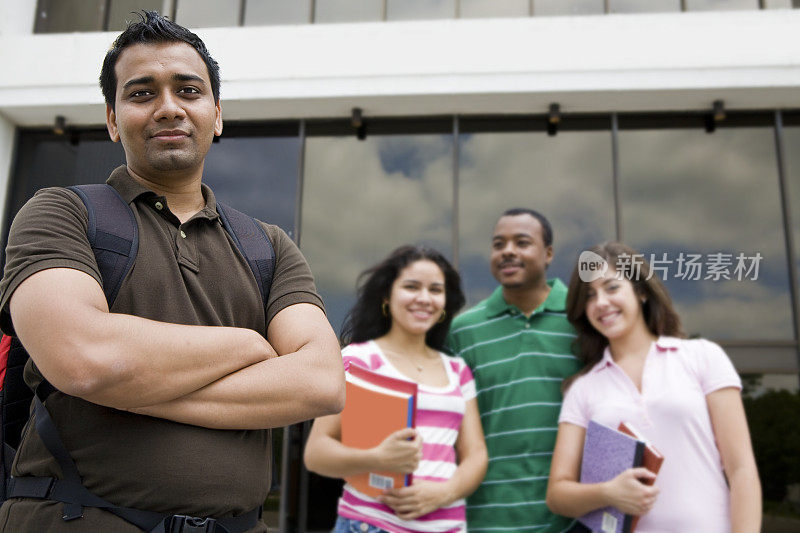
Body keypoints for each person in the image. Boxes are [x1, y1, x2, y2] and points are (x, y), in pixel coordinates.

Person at [0, 11, 344, 532]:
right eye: (141, 94)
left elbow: (320, 382)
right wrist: (246, 347)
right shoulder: (60, 213)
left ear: (217, 114)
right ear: (113, 120)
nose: (168, 108)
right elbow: (84, 359)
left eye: (188, 90)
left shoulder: (268, 246)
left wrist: (133, 387)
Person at [546, 242, 762, 532]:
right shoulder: (583, 389)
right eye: (589, 296)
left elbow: (741, 470)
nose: (601, 303)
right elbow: (558, 495)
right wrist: (607, 493)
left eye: (611, 288)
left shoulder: (701, 357)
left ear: (641, 292)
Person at [304, 245, 488, 533]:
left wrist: (444, 492)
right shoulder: (357, 359)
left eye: (436, 290)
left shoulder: (457, 371)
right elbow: (316, 453)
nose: (424, 298)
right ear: (387, 296)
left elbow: (476, 455)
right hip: (371, 525)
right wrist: (376, 459)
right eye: (411, 286)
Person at [445, 208, 581, 532]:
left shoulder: (583, 321)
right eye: (498, 244)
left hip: (572, 519)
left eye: (522, 242)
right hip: (484, 519)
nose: (508, 251)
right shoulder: (463, 330)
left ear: (548, 254)